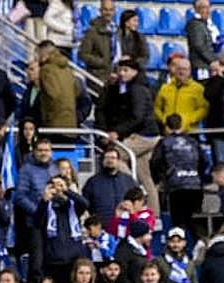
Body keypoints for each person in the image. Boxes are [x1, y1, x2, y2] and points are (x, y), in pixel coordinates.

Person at [100, 60, 161, 220]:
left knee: (115, 157)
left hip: (143, 135)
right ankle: (154, 215)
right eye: (120, 70)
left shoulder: (137, 89)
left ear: (134, 71)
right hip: (149, 134)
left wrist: (117, 133)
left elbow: (137, 117)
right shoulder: (128, 87)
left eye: (126, 70)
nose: (121, 73)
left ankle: (131, 189)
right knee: (145, 176)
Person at [83, 148, 137, 231]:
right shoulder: (93, 182)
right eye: (107, 157)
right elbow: (86, 204)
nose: (110, 160)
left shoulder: (128, 180)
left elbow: (137, 201)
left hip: (125, 227)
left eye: (113, 158)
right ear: (102, 161)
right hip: (102, 228)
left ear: (118, 161)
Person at [78, 0, 118, 85]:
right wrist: (102, 63)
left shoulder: (117, 30)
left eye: (111, 10)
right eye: (105, 9)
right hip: (97, 77)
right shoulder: (91, 31)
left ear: (114, 11)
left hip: (115, 77)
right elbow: (82, 54)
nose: (108, 13)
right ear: (100, 11)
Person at [185, 0, 221, 80]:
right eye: (204, 7)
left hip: (206, 65)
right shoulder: (195, 24)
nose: (208, 10)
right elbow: (199, 45)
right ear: (197, 9)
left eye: (209, 7)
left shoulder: (205, 23)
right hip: (201, 66)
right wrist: (212, 60)